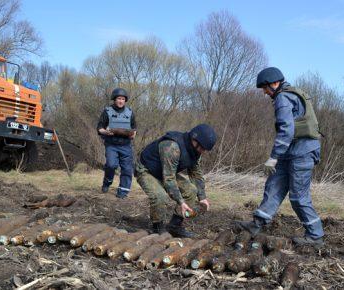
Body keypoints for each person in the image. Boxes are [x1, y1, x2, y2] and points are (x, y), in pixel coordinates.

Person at [237, 67, 325, 247]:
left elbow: (286, 130)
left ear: (275, 83)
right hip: (292, 151)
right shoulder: (289, 94)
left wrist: (273, 157)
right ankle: (257, 223)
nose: (264, 92)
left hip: (302, 152)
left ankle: (315, 236)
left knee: (298, 197)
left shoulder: (282, 98)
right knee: (274, 184)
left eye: (265, 88)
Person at [135, 124, 217, 238]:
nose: (202, 151)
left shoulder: (195, 152)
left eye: (204, 149)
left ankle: (175, 226)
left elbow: (196, 173)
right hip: (147, 170)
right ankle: (157, 227)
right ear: (194, 139)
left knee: (191, 191)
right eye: (201, 147)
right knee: (160, 196)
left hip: (165, 172)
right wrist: (181, 202)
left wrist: (202, 197)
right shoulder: (172, 146)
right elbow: (169, 179)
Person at [97, 88, 137, 198]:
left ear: (125, 100)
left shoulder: (130, 113)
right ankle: (107, 182)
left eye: (123, 99)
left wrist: (133, 135)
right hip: (111, 144)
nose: (121, 101)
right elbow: (99, 128)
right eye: (119, 98)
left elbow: (134, 128)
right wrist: (106, 132)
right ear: (114, 99)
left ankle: (123, 192)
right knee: (111, 165)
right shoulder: (107, 111)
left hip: (126, 145)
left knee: (127, 169)